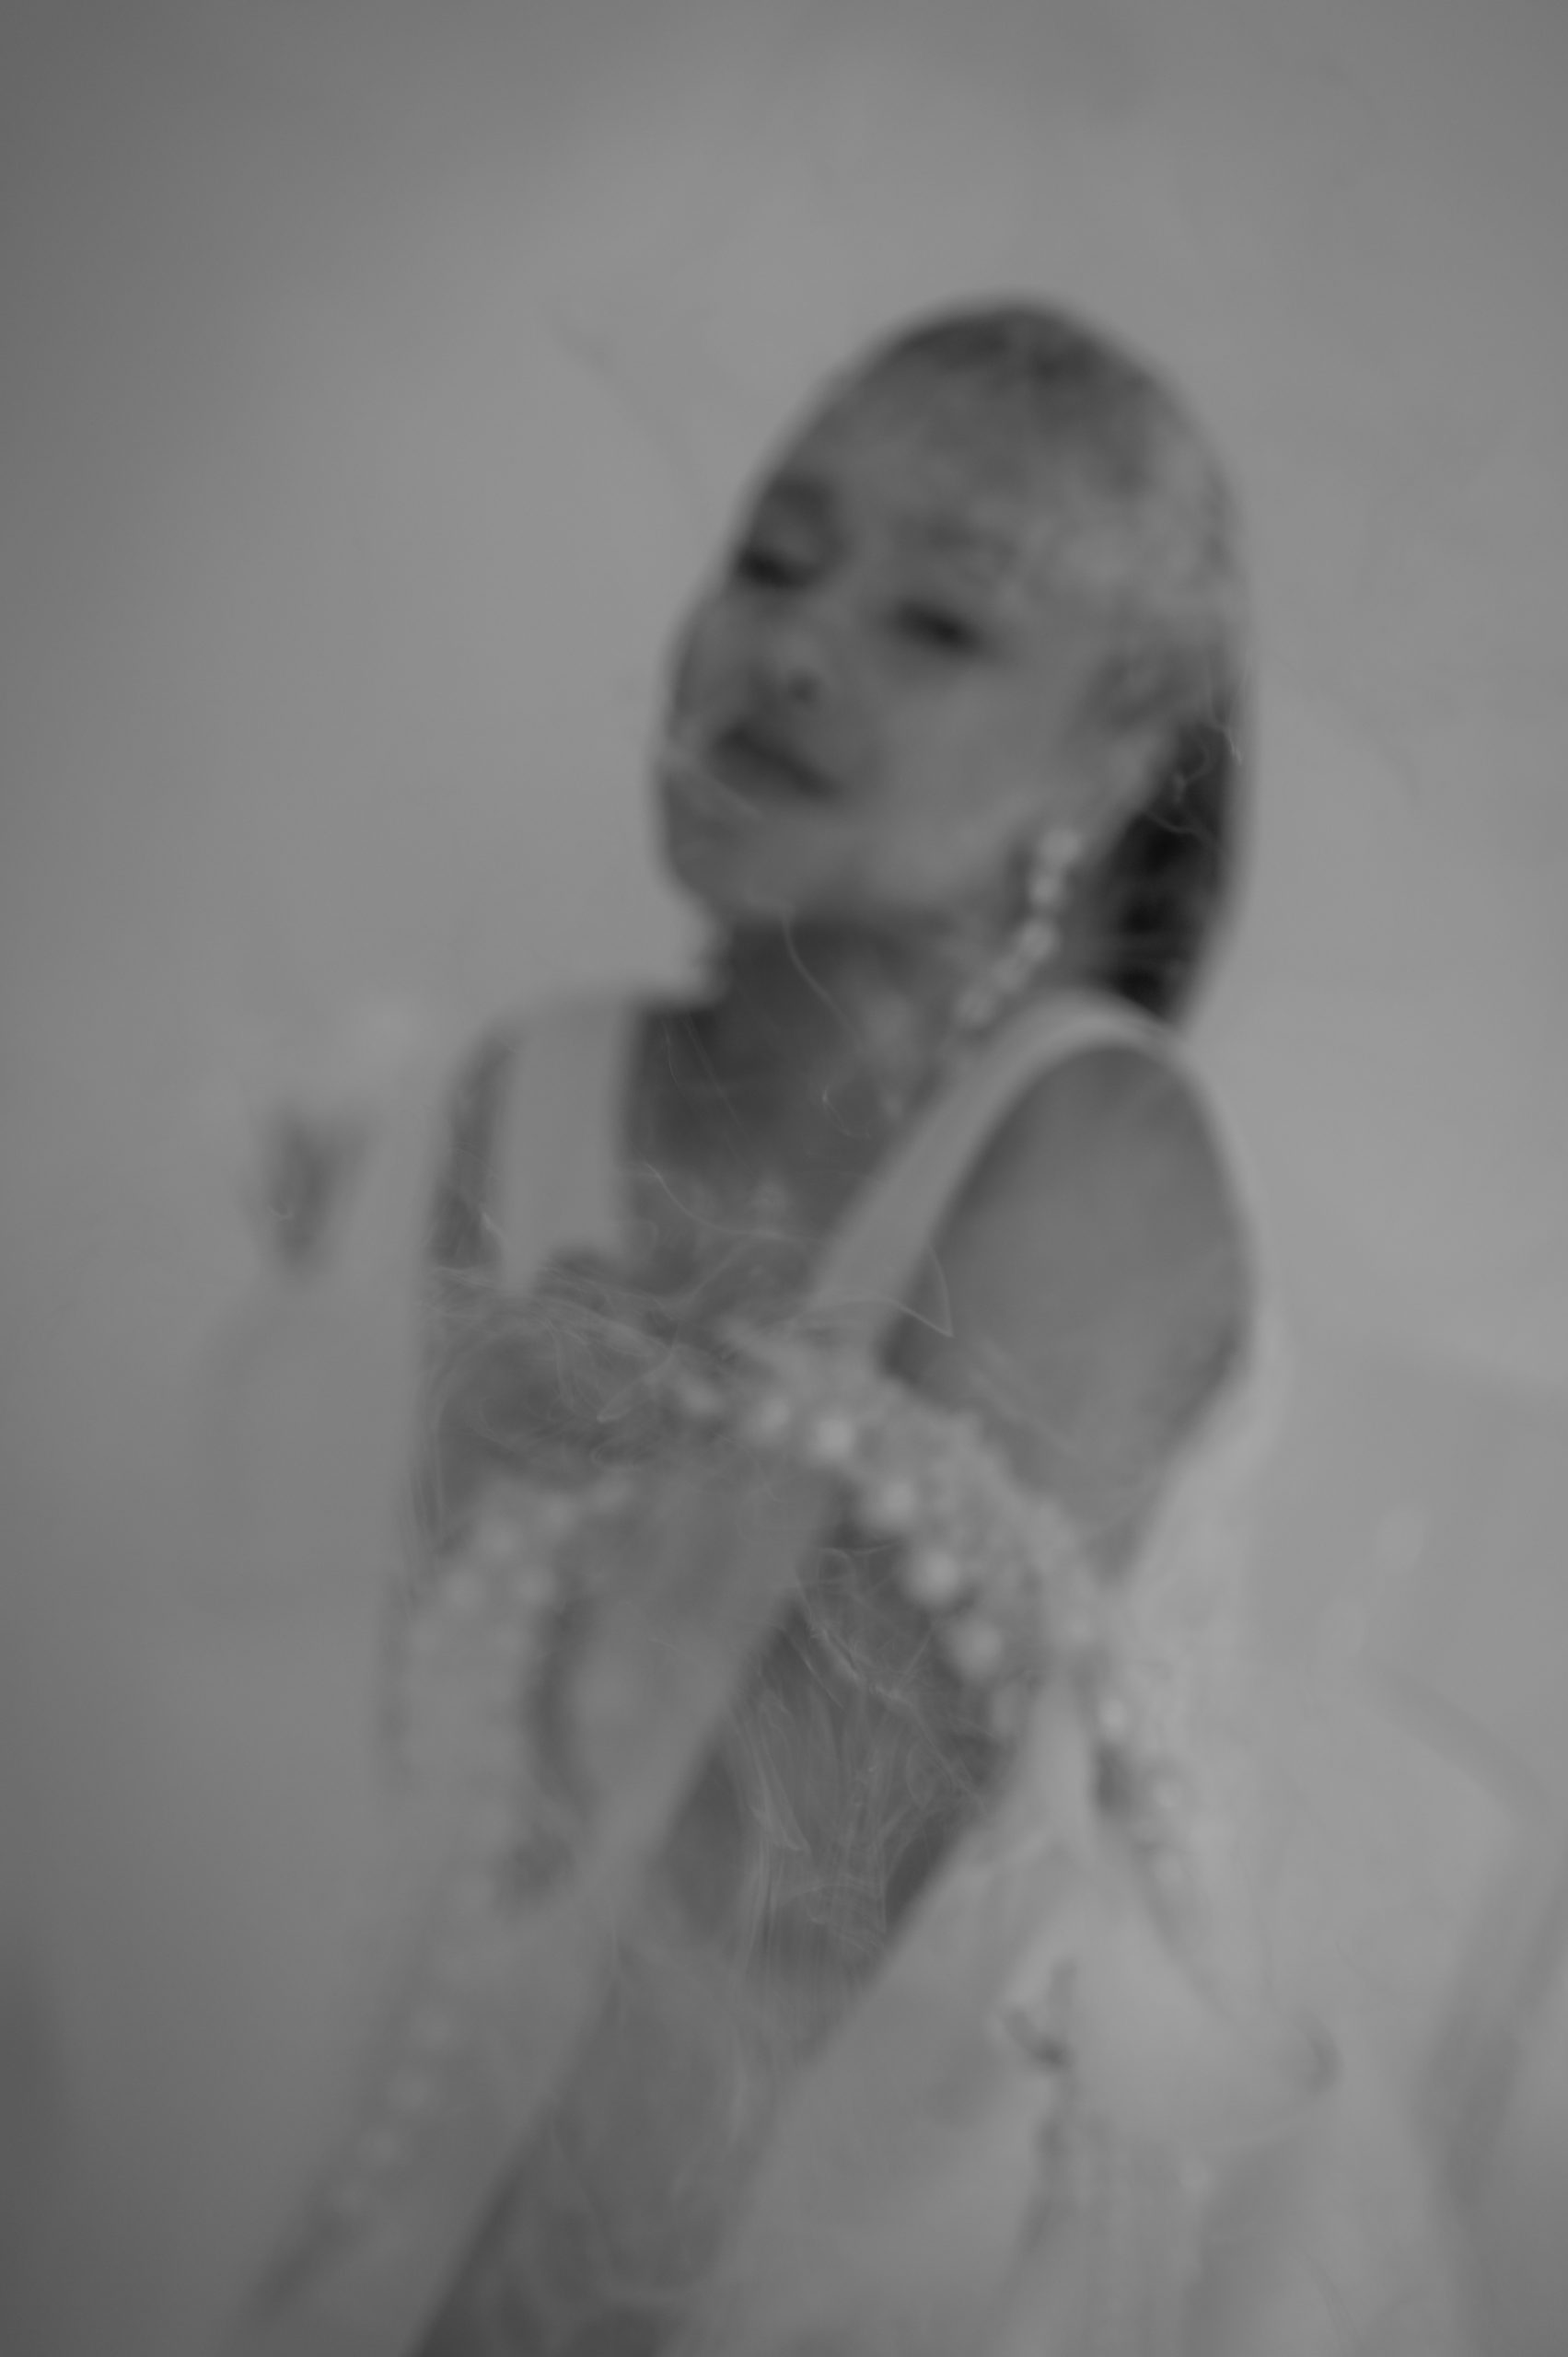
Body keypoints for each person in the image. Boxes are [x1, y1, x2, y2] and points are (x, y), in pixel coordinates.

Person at [225, 304, 1475, 2356]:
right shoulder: (524, 1091)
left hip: (897, 2222)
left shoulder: (1098, 1150)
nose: (790, 649)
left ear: (1122, 744)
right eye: (775, 558)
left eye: (941, 621)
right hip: (464, 2114)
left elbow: (760, 1940)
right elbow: (448, 1799)